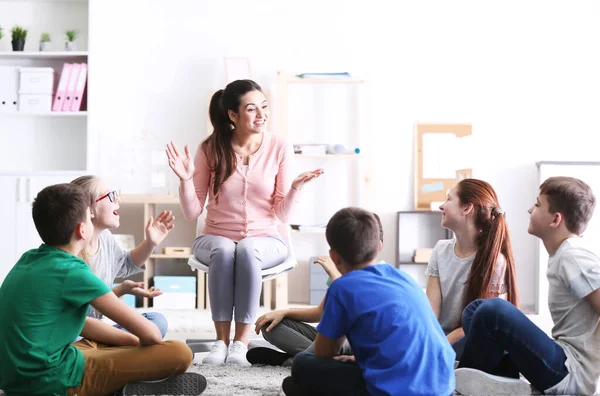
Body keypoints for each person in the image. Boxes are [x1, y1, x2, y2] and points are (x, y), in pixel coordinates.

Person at [166, 79, 323, 365]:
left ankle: (240, 342)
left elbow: (283, 215)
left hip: (268, 239)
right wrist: (186, 179)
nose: (262, 115)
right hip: (214, 237)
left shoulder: (279, 147)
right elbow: (192, 211)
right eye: (252, 109)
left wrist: (296, 188)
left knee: (248, 248)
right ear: (233, 115)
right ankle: (220, 342)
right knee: (227, 250)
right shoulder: (211, 148)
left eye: (264, 107)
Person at [0, 183, 205, 396]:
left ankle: (121, 381)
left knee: (98, 345)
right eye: (89, 217)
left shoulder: (29, 259)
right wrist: (140, 348)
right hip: (51, 380)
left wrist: (131, 345)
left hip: (18, 375)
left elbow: (82, 324)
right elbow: (151, 334)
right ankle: (118, 387)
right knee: (179, 352)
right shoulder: (73, 270)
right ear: (82, 230)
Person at [282, 207, 456, 396]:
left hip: (399, 390)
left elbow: (324, 353)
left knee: (302, 364)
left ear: (333, 257)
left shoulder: (342, 287)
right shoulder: (403, 278)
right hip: (443, 384)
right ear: (378, 246)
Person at [455, 176, 600, 396]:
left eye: (538, 204)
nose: (530, 209)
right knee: (476, 311)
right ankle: (501, 378)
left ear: (555, 220)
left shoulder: (573, 256)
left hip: (570, 373)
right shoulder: (565, 253)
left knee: (493, 312)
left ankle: (453, 382)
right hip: (562, 360)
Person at [247, 213, 384, 366]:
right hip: (331, 338)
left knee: (299, 378)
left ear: (334, 255)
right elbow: (321, 313)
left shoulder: (376, 279)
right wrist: (284, 312)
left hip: (352, 343)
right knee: (270, 324)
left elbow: (351, 310)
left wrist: (334, 274)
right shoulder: (399, 280)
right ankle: (308, 359)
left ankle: (294, 360)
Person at [425, 178, 518, 360]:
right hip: (440, 338)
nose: (441, 206)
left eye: (449, 199)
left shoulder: (495, 261)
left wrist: (439, 346)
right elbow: (430, 314)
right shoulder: (440, 250)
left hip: (466, 340)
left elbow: (475, 324)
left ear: (467, 208)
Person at [72, 175, 173, 341]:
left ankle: (104, 348)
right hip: (77, 330)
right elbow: (83, 316)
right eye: (110, 195)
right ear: (90, 209)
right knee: (148, 333)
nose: (117, 199)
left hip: (95, 330)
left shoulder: (105, 237)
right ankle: (104, 349)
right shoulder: (72, 252)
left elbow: (126, 264)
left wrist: (150, 243)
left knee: (157, 321)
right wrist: (121, 290)